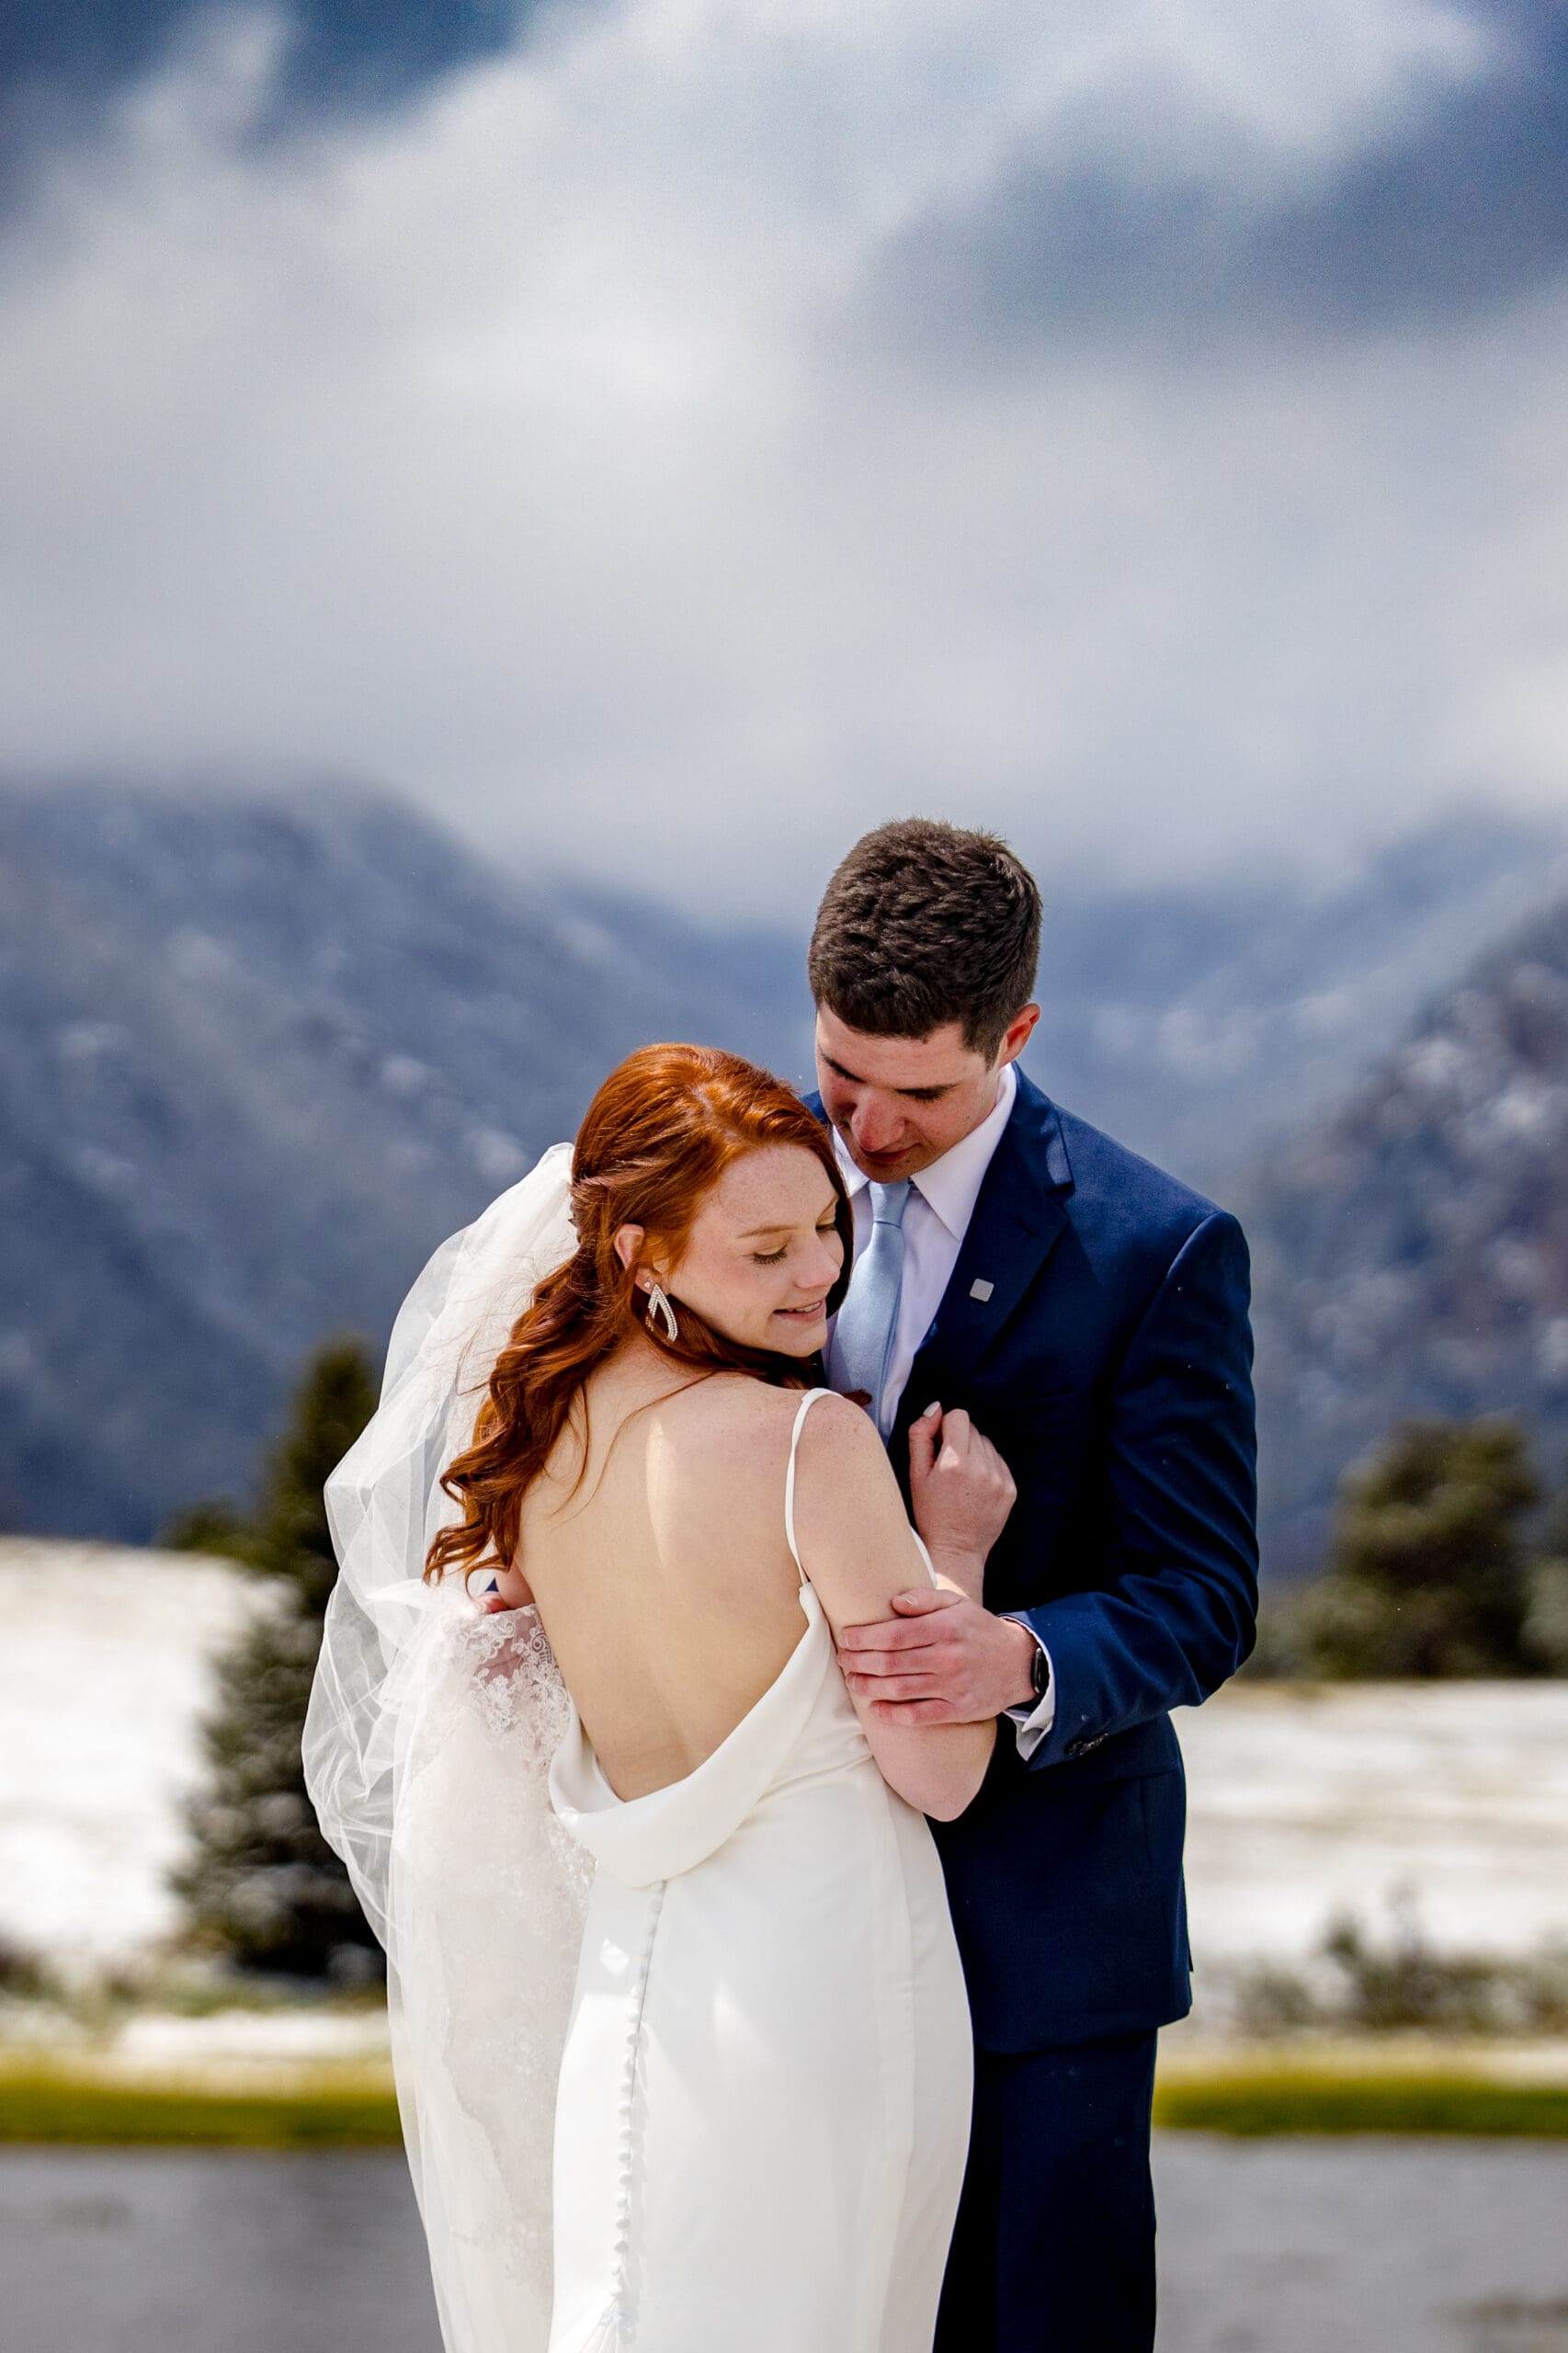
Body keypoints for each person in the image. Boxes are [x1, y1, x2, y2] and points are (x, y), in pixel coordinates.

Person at [305, 1041, 1014, 2353]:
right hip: (823, 1984)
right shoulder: (809, 1442)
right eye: (764, 1252)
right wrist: (955, 1548)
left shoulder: (530, 1451)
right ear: (639, 1250)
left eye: (824, 1226)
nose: (816, 1273)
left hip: (628, 1989)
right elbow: (942, 1772)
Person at [807, 817, 1260, 2353]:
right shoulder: (752, 1184)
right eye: (838, 1072)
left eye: (917, 1091)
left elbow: (1203, 1592)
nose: (864, 1129)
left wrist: (1016, 1659)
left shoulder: (1159, 1250)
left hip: (1049, 1918)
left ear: (1017, 1035)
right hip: (796, 1892)